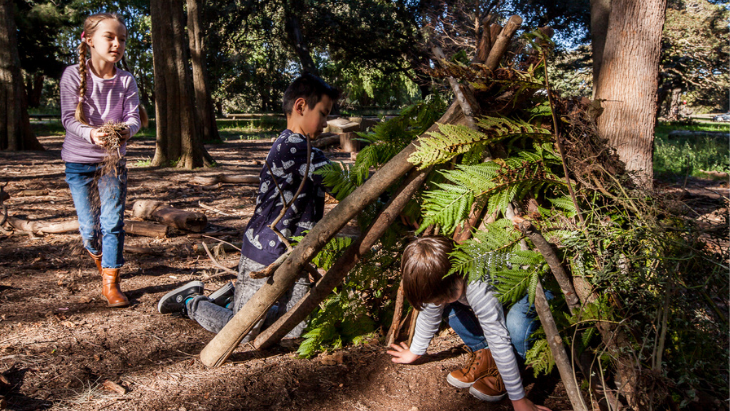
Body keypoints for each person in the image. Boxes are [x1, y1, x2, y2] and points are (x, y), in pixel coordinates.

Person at [158, 73, 339, 342]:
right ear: (301, 107)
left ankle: (234, 298)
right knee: (243, 333)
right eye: (323, 114)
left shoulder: (303, 146)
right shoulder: (296, 148)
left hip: (296, 251)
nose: (326, 123)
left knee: (295, 330)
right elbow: (342, 185)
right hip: (266, 250)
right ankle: (192, 302)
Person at [387, 236, 551, 411]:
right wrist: (415, 351)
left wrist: (519, 400)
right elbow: (429, 314)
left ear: (457, 273)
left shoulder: (479, 284)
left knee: (516, 324)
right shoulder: (439, 275)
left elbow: (498, 338)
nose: (441, 301)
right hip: (498, 291)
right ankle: (484, 352)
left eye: (444, 296)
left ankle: (513, 372)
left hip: (533, 287)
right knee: (443, 307)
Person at [60, 13, 141, 308]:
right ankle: (100, 257)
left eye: (122, 39)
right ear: (89, 39)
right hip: (79, 163)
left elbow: (133, 118)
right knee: (89, 229)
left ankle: (111, 284)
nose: (117, 43)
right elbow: (68, 119)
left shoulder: (126, 80)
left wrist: (123, 133)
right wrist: (91, 134)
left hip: (113, 163)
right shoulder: (72, 75)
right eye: (110, 36)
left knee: (112, 223)